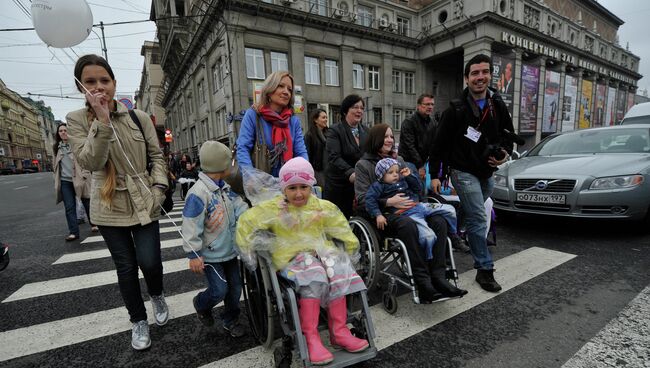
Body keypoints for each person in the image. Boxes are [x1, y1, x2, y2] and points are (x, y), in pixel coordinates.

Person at [66, 54, 169, 350]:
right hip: (108, 203)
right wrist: (101, 121)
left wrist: (160, 187)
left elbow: (157, 156)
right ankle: (138, 320)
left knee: (150, 262)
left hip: (145, 197)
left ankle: (157, 294)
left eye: (104, 80)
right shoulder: (76, 120)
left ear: (113, 83)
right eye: (90, 82)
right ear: (80, 87)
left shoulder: (136, 116)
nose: (99, 87)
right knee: (125, 267)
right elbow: (90, 161)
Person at [236, 158, 369, 365]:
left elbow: (340, 226)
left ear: (311, 185)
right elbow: (245, 223)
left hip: (319, 253)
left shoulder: (321, 206)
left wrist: (351, 250)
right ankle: (311, 337)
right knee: (314, 275)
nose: (299, 193)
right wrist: (248, 255)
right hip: (291, 258)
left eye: (304, 187)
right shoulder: (273, 208)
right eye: (292, 188)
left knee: (340, 268)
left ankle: (339, 331)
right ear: (284, 188)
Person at [428, 54, 515, 293]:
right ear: (467, 78)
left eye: (484, 72)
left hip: (486, 170)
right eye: (475, 73)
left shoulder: (497, 104)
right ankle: (484, 270)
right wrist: (435, 174)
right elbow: (438, 145)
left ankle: (463, 224)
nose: (480, 77)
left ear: (489, 75)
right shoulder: (455, 109)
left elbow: (508, 134)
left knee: (478, 205)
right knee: (478, 215)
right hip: (461, 169)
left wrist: (504, 153)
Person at [355, 124, 466, 301]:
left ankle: (439, 276)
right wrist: (388, 201)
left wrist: (413, 183)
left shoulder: (399, 160)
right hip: (387, 216)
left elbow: (417, 189)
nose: (390, 140)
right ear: (375, 139)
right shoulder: (363, 165)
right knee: (408, 224)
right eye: (385, 137)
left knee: (438, 220)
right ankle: (422, 281)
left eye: (391, 136)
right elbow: (362, 199)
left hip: (412, 208)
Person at [182, 141, 249, 337]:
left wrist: (253, 218)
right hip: (210, 255)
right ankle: (201, 303)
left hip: (230, 251)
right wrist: (193, 254)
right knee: (220, 290)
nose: (232, 165)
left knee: (236, 288)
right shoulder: (198, 194)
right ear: (221, 166)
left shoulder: (226, 189)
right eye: (230, 162)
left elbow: (240, 207)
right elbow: (190, 225)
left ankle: (230, 319)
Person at [365, 158, 461, 264]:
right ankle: (429, 257)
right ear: (381, 175)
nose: (395, 175)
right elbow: (370, 201)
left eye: (397, 172)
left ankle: (453, 233)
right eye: (390, 172)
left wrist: (409, 176)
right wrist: (378, 214)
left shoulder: (403, 180)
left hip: (420, 206)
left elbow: (418, 188)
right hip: (408, 213)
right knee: (428, 236)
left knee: (450, 209)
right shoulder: (378, 186)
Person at [236, 71, 308, 177]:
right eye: (281, 86)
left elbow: (301, 152)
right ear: (269, 90)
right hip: (260, 183)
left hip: (287, 182)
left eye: (290, 89)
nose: (286, 92)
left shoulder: (293, 121)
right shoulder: (253, 115)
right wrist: (250, 178)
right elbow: (243, 148)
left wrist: (305, 174)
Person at [324, 94, 368, 218]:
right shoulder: (335, 130)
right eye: (355, 107)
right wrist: (350, 172)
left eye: (361, 108)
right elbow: (334, 156)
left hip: (360, 185)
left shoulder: (366, 131)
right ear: (345, 110)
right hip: (339, 185)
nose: (359, 111)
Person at [53, 123, 96, 241]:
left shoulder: (76, 144)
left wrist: (85, 174)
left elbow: (85, 159)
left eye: (65, 130)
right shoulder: (57, 147)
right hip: (65, 181)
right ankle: (73, 232)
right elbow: (56, 164)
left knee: (87, 201)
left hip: (79, 178)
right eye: (60, 131)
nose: (63, 132)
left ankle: (94, 224)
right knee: (69, 207)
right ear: (58, 134)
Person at [398, 94, 435, 182]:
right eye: (426, 104)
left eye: (432, 104)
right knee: (415, 187)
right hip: (408, 161)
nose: (430, 107)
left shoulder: (433, 123)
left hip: (423, 163)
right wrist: (420, 165)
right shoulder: (409, 122)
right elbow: (410, 146)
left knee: (423, 190)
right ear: (418, 106)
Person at [304, 108, 329, 188]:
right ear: (315, 120)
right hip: (317, 171)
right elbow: (308, 154)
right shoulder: (309, 136)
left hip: (328, 170)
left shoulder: (329, 134)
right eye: (323, 117)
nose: (326, 120)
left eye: (326, 117)